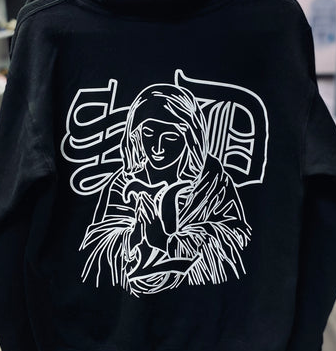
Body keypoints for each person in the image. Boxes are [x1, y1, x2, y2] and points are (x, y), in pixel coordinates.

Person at [80, 82, 252, 296]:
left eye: (170, 137)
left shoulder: (211, 180)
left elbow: (235, 239)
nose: (157, 148)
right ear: (135, 134)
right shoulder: (122, 182)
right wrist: (134, 236)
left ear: (190, 138)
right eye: (148, 133)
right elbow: (97, 247)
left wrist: (168, 240)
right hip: (128, 307)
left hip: (204, 305)